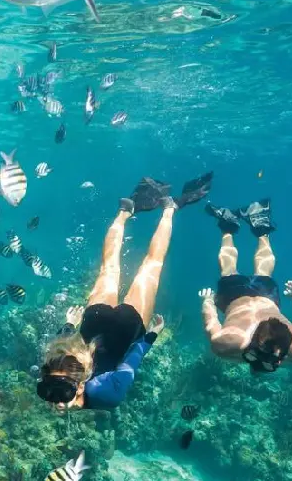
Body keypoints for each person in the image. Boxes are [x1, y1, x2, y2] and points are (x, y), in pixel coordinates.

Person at [36, 172, 213, 409]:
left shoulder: (107, 396)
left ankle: (170, 209)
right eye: (51, 393)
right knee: (109, 266)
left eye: (54, 393)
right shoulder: (54, 366)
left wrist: (151, 335)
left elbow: (132, 361)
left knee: (152, 265)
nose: (57, 403)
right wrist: (69, 325)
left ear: (82, 384)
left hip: (128, 328)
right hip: (94, 321)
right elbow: (59, 347)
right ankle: (125, 210)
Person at [200, 199, 292, 371]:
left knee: (244, 271)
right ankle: (234, 227)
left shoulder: (226, 343)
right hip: (251, 297)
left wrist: (208, 301)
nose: (266, 361)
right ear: (253, 339)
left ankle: (235, 227)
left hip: (262, 295)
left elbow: (212, 322)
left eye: (277, 358)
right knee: (235, 270)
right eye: (260, 353)